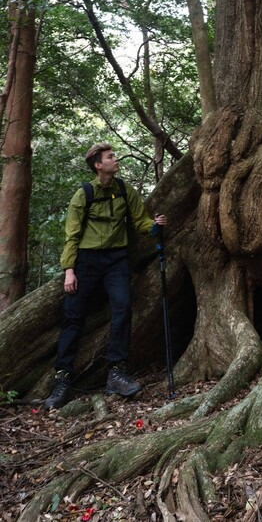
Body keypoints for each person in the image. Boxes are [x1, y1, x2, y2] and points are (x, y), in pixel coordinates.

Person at [44, 143, 167, 409]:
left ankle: (116, 372)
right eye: (110, 157)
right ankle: (62, 380)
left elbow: (139, 221)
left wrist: (154, 226)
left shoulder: (124, 189)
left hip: (117, 260)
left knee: (122, 308)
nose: (115, 159)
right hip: (86, 262)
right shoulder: (84, 194)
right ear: (98, 165)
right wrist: (69, 271)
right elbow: (72, 234)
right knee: (73, 316)